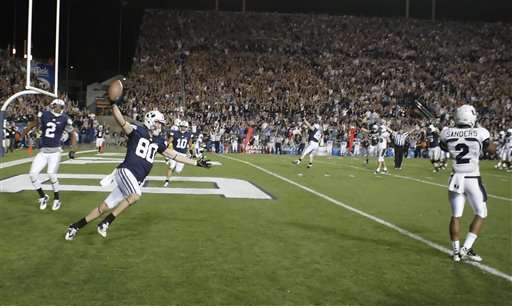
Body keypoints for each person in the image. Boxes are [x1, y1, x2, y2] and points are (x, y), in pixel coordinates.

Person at [65, 101, 211, 241]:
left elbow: (176, 156)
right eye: (159, 122)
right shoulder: (138, 131)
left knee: (103, 206)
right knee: (136, 195)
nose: (160, 126)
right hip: (126, 172)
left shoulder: (159, 141)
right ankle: (106, 223)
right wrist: (113, 104)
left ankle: (75, 226)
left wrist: (196, 162)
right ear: (151, 121)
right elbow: (121, 121)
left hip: (134, 179)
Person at [439, 104, 495, 262]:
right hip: (472, 178)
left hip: (455, 178)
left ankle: (456, 252)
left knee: (456, 215)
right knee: (481, 213)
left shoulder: (447, 132)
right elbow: (491, 150)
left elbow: (443, 145)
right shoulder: (481, 132)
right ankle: (466, 247)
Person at [22, 99, 75, 211]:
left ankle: (57, 198)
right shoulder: (45, 115)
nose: (53, 106)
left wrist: (72, 149)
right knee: (32, 174)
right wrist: (23, 133)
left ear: (61, 107)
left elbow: (73, 133)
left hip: (55, 152)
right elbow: (34, 123)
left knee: (51, 174)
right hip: (43, 151)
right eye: (53, 105)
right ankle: (43, 196)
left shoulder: (65, 118)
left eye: (55, 105)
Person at [164, 120, 192, 187]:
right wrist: (165, 148)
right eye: (182, 126)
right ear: (180, 126)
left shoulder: (189, 134)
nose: (183, 128)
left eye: (185, 127)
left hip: (183, 154)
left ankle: (175, 167)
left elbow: (190, 144)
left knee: (178, 171)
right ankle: (167, 180)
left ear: (187, 127)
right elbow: (169, 141)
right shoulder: (175, 133)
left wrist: (189, 152)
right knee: (171, 166)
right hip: (175, 152)